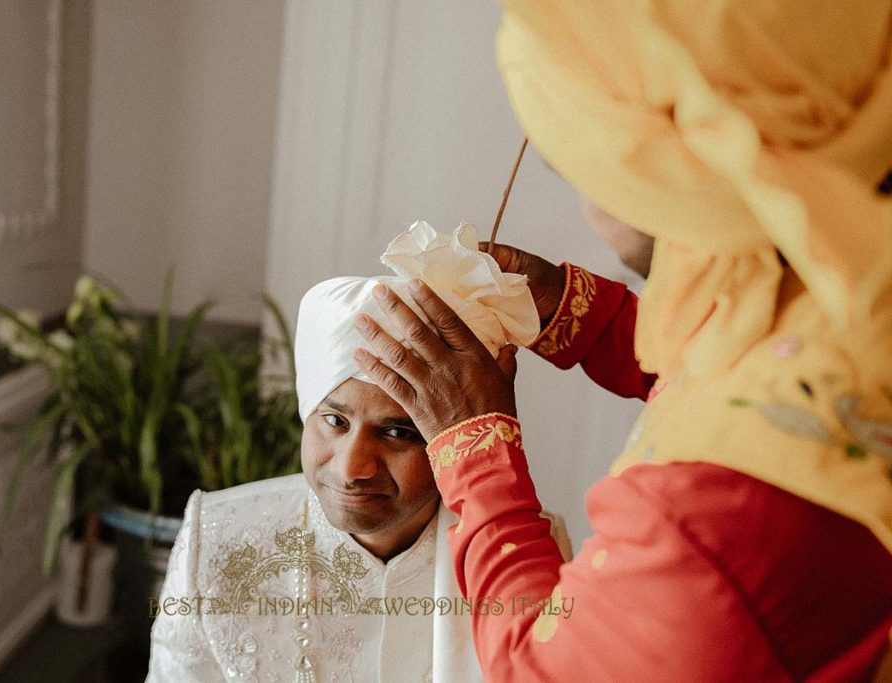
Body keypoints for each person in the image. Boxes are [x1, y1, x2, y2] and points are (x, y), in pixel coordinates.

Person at [350, 1, 892, 680]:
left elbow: (540, 669)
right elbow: (769, 360)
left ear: (667, 173)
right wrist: (582, 316)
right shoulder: (854, 266)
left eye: (581, 166)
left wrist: (476, 449)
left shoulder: (707, 519)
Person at [145, 222, 572, 682]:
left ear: (449, 441)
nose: (351, 468)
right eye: (335, 422)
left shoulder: (523, 554)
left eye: (398, 433)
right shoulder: (217, 535)